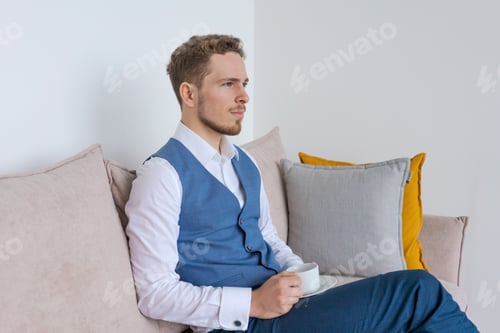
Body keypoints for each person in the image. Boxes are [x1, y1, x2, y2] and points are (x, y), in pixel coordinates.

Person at [125, 34, 478, 333]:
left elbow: (266, 235)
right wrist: (253, 302)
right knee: (417, 289)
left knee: (416, 311)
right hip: (241, 324)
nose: (244, 96)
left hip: (288, 307)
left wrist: (301, 274)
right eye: (228, 84)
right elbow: (155, 293)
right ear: (189, 94)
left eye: (244, 84)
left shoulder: (242, 161)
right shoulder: (161, 174)